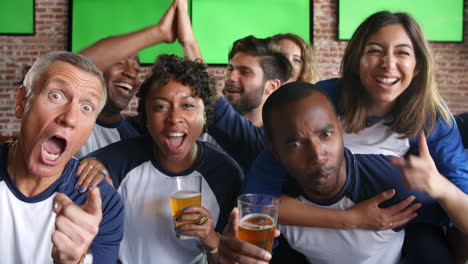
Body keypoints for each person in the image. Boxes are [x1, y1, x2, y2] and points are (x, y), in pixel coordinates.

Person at [244, 11, 468, 263]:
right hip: (315, 239)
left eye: (402, 53)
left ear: (417, 67)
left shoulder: (433, 121)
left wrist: (438, 186)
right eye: (375, 51)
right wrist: (349, 220)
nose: (388, 63)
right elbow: (259, 196)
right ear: (356, 60)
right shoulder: (321, 101)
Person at [217, 82, 468, 264]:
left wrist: (443, 189)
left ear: (341, 130)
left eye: (325, 135)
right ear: (274, 150)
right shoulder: (268, 208)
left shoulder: (392, 181)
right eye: (295, 143)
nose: (317, 155)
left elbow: (452, 228)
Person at [85, 54, 243, 263]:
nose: (174, 118)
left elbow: (228, 259)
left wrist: (211, 239)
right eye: (161, 107)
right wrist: (93, 164)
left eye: (187, 105)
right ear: (146, 117)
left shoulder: (225, 173)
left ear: (205, 114)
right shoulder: (116, 162)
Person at [0, 51, 124, 263]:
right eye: (56, 95)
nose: (70, 118)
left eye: (86, 107)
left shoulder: (104, 203)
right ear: (22, 101)